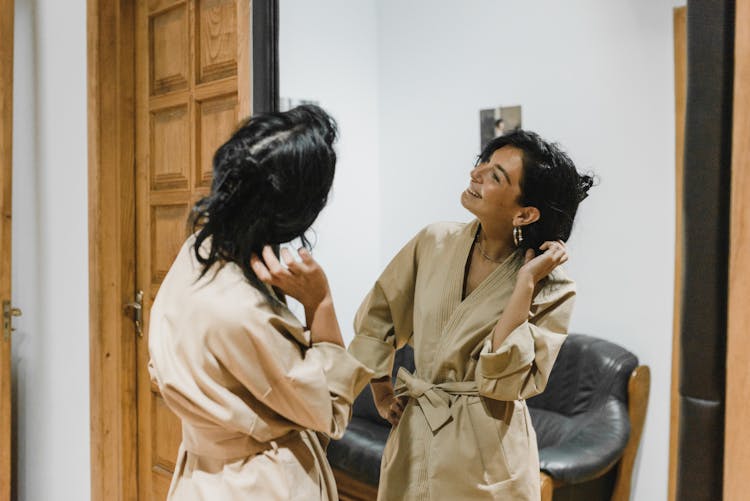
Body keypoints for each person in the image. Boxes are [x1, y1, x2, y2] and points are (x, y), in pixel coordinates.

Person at [348, 130, 594, 500]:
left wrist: (524, 284)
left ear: (525, 213)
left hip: (488, 453)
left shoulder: (552, 286)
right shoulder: (433, 242)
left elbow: (505, 383)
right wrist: (381, 390)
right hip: (415, 435)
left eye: (496, 176)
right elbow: (378, 315)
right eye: (484, 163)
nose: (476, 173)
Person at [148, 104, 373, 500]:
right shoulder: (242, 311)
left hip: (204, 478)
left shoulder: (196, 254)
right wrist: (319, 302)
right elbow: (331, 410)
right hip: (258, 484)